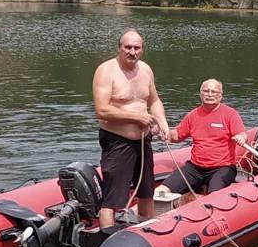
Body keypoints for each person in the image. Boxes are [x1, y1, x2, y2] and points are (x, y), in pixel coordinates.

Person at [92, 30, 170, 232]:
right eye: (128, 47)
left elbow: (153, 100)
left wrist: (163, 123)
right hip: (117, 140)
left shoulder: (145, 70)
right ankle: (106, 237)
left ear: (142, 50)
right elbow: (101, 110)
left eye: (137, 48)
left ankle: (146, 233)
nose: (132, 52)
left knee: (146, 192)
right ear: (119, 48)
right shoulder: (106, 71)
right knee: (112, 198)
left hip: (143, 141)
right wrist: (138, 117)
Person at [164, 79, 247, 200]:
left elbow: (241, 134)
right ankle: (136, 213)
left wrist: (241, 137)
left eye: (214, 91)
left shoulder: (230, 114)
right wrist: (164, 133)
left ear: (220, 95)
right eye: (206, 91)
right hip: (195, 168)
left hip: (222, 168)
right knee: (162, 190)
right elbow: (177, 135)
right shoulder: (193, 115)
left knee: (214, 198)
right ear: (200, 94)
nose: (209, 94)